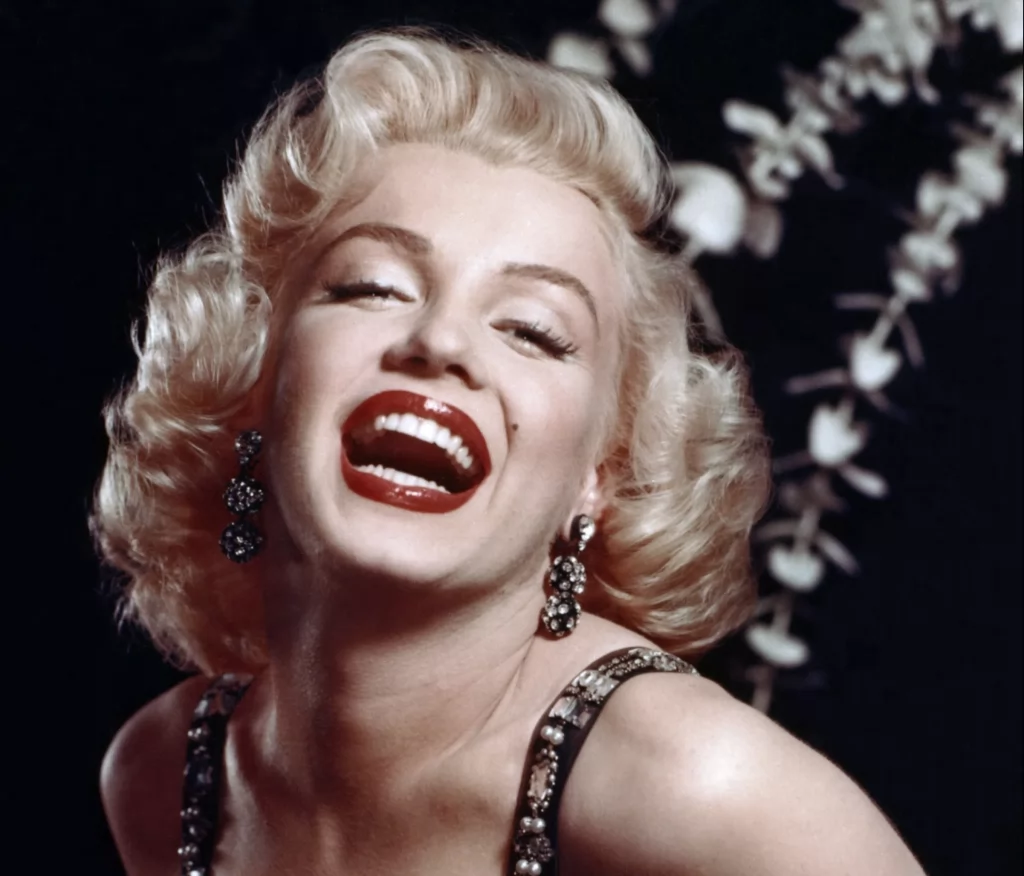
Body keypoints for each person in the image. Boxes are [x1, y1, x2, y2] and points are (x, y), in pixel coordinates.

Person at [95, 28, 926, 876]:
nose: (441, 340)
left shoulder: (701, 791)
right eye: (373, 286)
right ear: (255, 380)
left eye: (533, 331)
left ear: (602, 476)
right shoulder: (165, 776)